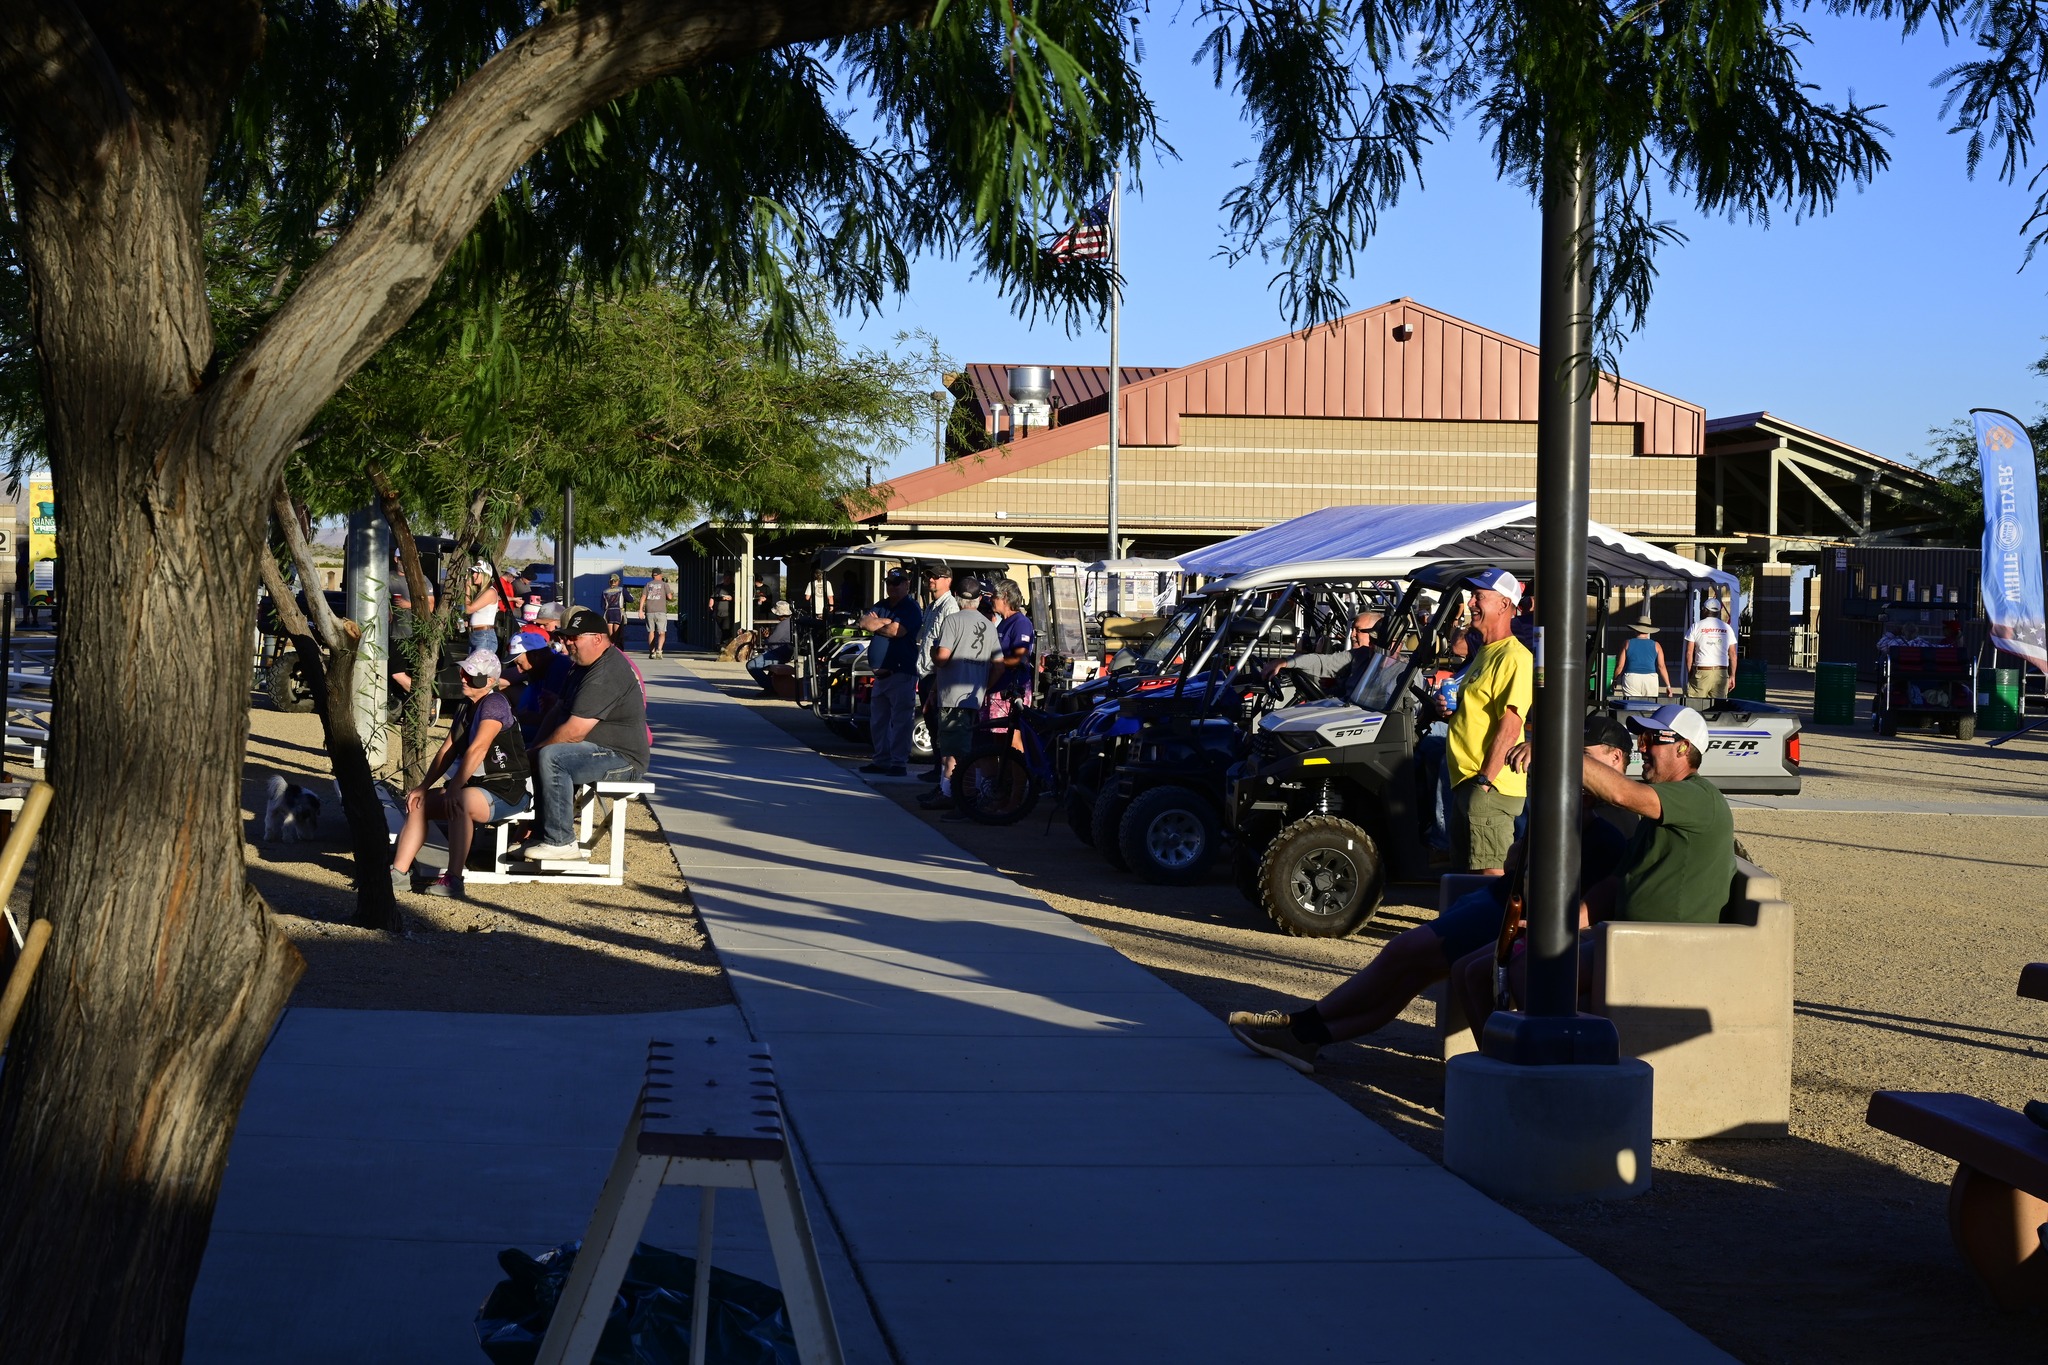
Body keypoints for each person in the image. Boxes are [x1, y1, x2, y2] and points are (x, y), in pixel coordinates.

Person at [1227, 714, 1638, 1073]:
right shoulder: (1576, 803)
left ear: (1615, 759)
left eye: (1583, 756)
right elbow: (1516, 860)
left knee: (1403, 954)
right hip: (1500, 898)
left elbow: (1598, 898)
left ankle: (1302, 1030)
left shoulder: (1616, 819)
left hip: (1519, 916)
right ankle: (1307, 1035)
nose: (1575, 766)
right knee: (1407, 970)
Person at [388, 650, 532, 899]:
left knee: (460, 802)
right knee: (420, 804)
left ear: (488, 681)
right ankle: (398, 874)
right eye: (464, 672)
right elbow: (447, 749)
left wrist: (455, 787)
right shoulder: (467, 706)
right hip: (477, 786)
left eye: (470, 674)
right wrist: (423, 786)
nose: (463, 677)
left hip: (508, 788)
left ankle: (454, 879)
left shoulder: (495, 703)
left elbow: (479, 748)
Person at [519, 606, 651, 861]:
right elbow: (556, 712)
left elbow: (573, 733)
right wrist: (531, 749)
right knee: (538, 750)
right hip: (596, 750)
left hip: (623, 760)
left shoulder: (606, 671)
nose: (567, 643)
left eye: (574, 637)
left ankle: (561, 842)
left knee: (553, 757)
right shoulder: (580, 667)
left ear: (597, 639)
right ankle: (541, 834)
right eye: (565, 637)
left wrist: (535, 754)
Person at [1446, 568, 1532, 873]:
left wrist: (1484, 782)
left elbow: (1510, 725)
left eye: (1479, 596)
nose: (1471, 603)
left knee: (1489, 879)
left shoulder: (1514, 657)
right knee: (1465, 880)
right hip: (1469, 783)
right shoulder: (1486, 652)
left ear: (1504, 605)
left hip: (1488, 786)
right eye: (1472, 596)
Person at [923, 574, 998, 816]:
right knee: (964, 747)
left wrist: (934, 654)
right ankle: (953, 793)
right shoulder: (989, 625)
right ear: (979, 599)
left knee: (954, 752)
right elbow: (999, 665)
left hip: (953, 696)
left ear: (957, 596)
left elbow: (943, 657)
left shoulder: (953, 620)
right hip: (973, 698)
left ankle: (959, 798)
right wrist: (984, 687)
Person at [857, 567, 923, 777]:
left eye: (897, 582)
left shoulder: (910, 607)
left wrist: (877, 624)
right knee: (878, 722)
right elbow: (863, 622)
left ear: (907, 584)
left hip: (901, 672)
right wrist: (882, 623)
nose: (893, 587)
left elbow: (898, 631)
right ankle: (881, 760)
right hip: (880, 676)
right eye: (890, 583)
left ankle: (898, 763)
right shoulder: (882, 605)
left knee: (901, 721)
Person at [914, 562, 961, 782]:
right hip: (925, 674)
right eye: (929, 577)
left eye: (936, 576)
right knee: (932, 726)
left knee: (939, 727)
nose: (931, 580)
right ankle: (936, 769)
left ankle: (943, 774)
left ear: (948, 580)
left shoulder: (949, 606)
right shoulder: (933, 606)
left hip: (937, 676)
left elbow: (948, 645)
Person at [1279, 610, 1380, 693]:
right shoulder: (1356, 655)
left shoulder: (1385, 664)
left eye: (1358, 630)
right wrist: (1285, 662)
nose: (1352, 635)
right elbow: (1324, 662)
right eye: (1352, 629)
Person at [983, 577, 1035, 723]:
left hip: (1011, 689)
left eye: (993, 596)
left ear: (1004, 596)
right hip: (997, 686)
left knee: (1009, 736)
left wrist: (995, 662)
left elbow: (1020, 658)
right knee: (995, 737)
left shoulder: (1021, 623)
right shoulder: (1004, 623)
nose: (991, 599)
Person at [1685, 599, 1738, 699]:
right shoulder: (1727, 628)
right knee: (1718, 707)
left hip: (1702, 670)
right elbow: (1733, 654)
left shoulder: (1696, 626)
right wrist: (1732, 675)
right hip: (1721, 672)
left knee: (1696, 706)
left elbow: (1689, 652)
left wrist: (1689, 672)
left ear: (1704, 610)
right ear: (1718, 612)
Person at [1616, 620, 1673, 699]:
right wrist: (1668, 686)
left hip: (1632, 678)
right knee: (1650, 706)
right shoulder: (1656, 645)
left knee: (1631, 707)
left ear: (1635, 630)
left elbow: (1620, 666)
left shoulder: (1627, 643)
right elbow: (1661, 666)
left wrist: (1615, 680)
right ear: (1649, 631)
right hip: (1650, 679)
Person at [463, 560, 503, 653]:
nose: (473, 575)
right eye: (473, 572)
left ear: (485, 575)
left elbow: (468, 609)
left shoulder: (490, 592)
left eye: (477, 573)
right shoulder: (483, 592)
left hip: (484, 636)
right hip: (476, 635)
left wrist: (468, 588)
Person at [639, 570, 675, 658]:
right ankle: (659, 650)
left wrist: (640, 610)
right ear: (660, 575)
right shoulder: (664, 584)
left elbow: (643, 597)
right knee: (662, 632)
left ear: (652, 575)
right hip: (661, 611)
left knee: (651, 632)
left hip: (649, 611)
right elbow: (670, 597)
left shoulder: (648, 584)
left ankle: (652, 652)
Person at [602, 572, 627, 648]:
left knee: (610, 633)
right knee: (617, 632)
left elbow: (602, 605)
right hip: (618, 612)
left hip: (608, 612)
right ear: (617, 581)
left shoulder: (605, 591)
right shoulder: (621, 590)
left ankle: (610, 646)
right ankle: (616, 647)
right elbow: (631, 599)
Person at [709, 574, 737, 643]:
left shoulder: (734, 587)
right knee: (723, 629)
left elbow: (740, 598)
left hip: (728, 613)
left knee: (726, 628)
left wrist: (731, 598)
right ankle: (728, 642)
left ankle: (723, 644)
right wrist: (710, 606)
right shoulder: (719, 587)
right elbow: (713, 597)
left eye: (729, 578)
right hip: (718, 613)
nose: (727, 580)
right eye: (726, 578)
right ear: (723, 578)